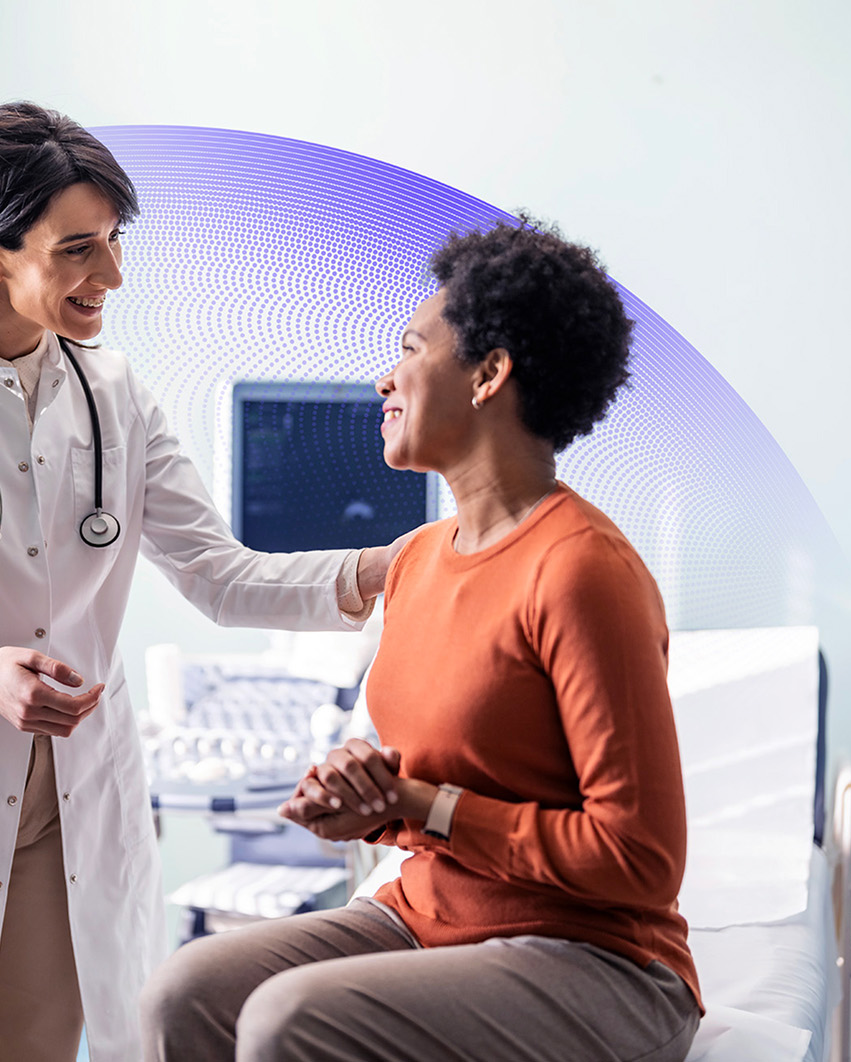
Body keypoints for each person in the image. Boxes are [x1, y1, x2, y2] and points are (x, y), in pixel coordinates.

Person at [0, 101, 409, 1062]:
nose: (110, 275)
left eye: (111, 243)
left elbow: (221, 578)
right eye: (77, 250)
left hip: (67, 818)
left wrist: (397, 566)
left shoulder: (116, 394)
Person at [140, 220, 703, 1062]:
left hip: (597, 957)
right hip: (428, 917)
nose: (385, 379)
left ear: (488, 374)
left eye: (409, 349)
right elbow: (435, 780)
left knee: (287, 1019)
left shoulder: (583, 572)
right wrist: (367, 800)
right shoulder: (417, 563)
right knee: (181, 995)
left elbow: (638, 859)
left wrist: (421, 809)